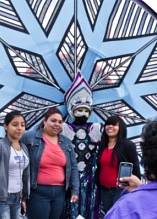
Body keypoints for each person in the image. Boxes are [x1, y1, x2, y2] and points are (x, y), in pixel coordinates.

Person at [20, 107, 79, 219]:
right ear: (44, 121)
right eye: (53, 120)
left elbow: (73, 168)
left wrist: (75, 190)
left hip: (59, 193)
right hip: (37, 192)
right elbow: (16, 160)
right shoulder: (29, 138)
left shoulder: (66, 142)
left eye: (60, 122)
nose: (57, 124)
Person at [62, 72, 102, 219]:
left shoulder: (97, 128)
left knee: (90, 209)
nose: (83, 113)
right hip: (69, 178)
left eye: (86, 110)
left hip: (91, 179)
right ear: (72, 110)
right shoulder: (64, 129)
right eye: (79, 110)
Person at [98, 115, 141, 214]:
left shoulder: (127, 145)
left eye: (114, 125)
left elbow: (136, 169)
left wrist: (134, 189)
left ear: (121, 128)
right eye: (108, 124)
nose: (110, 127)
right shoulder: (101, 145)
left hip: (120, 190)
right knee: (109, 215)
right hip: (104, 191)